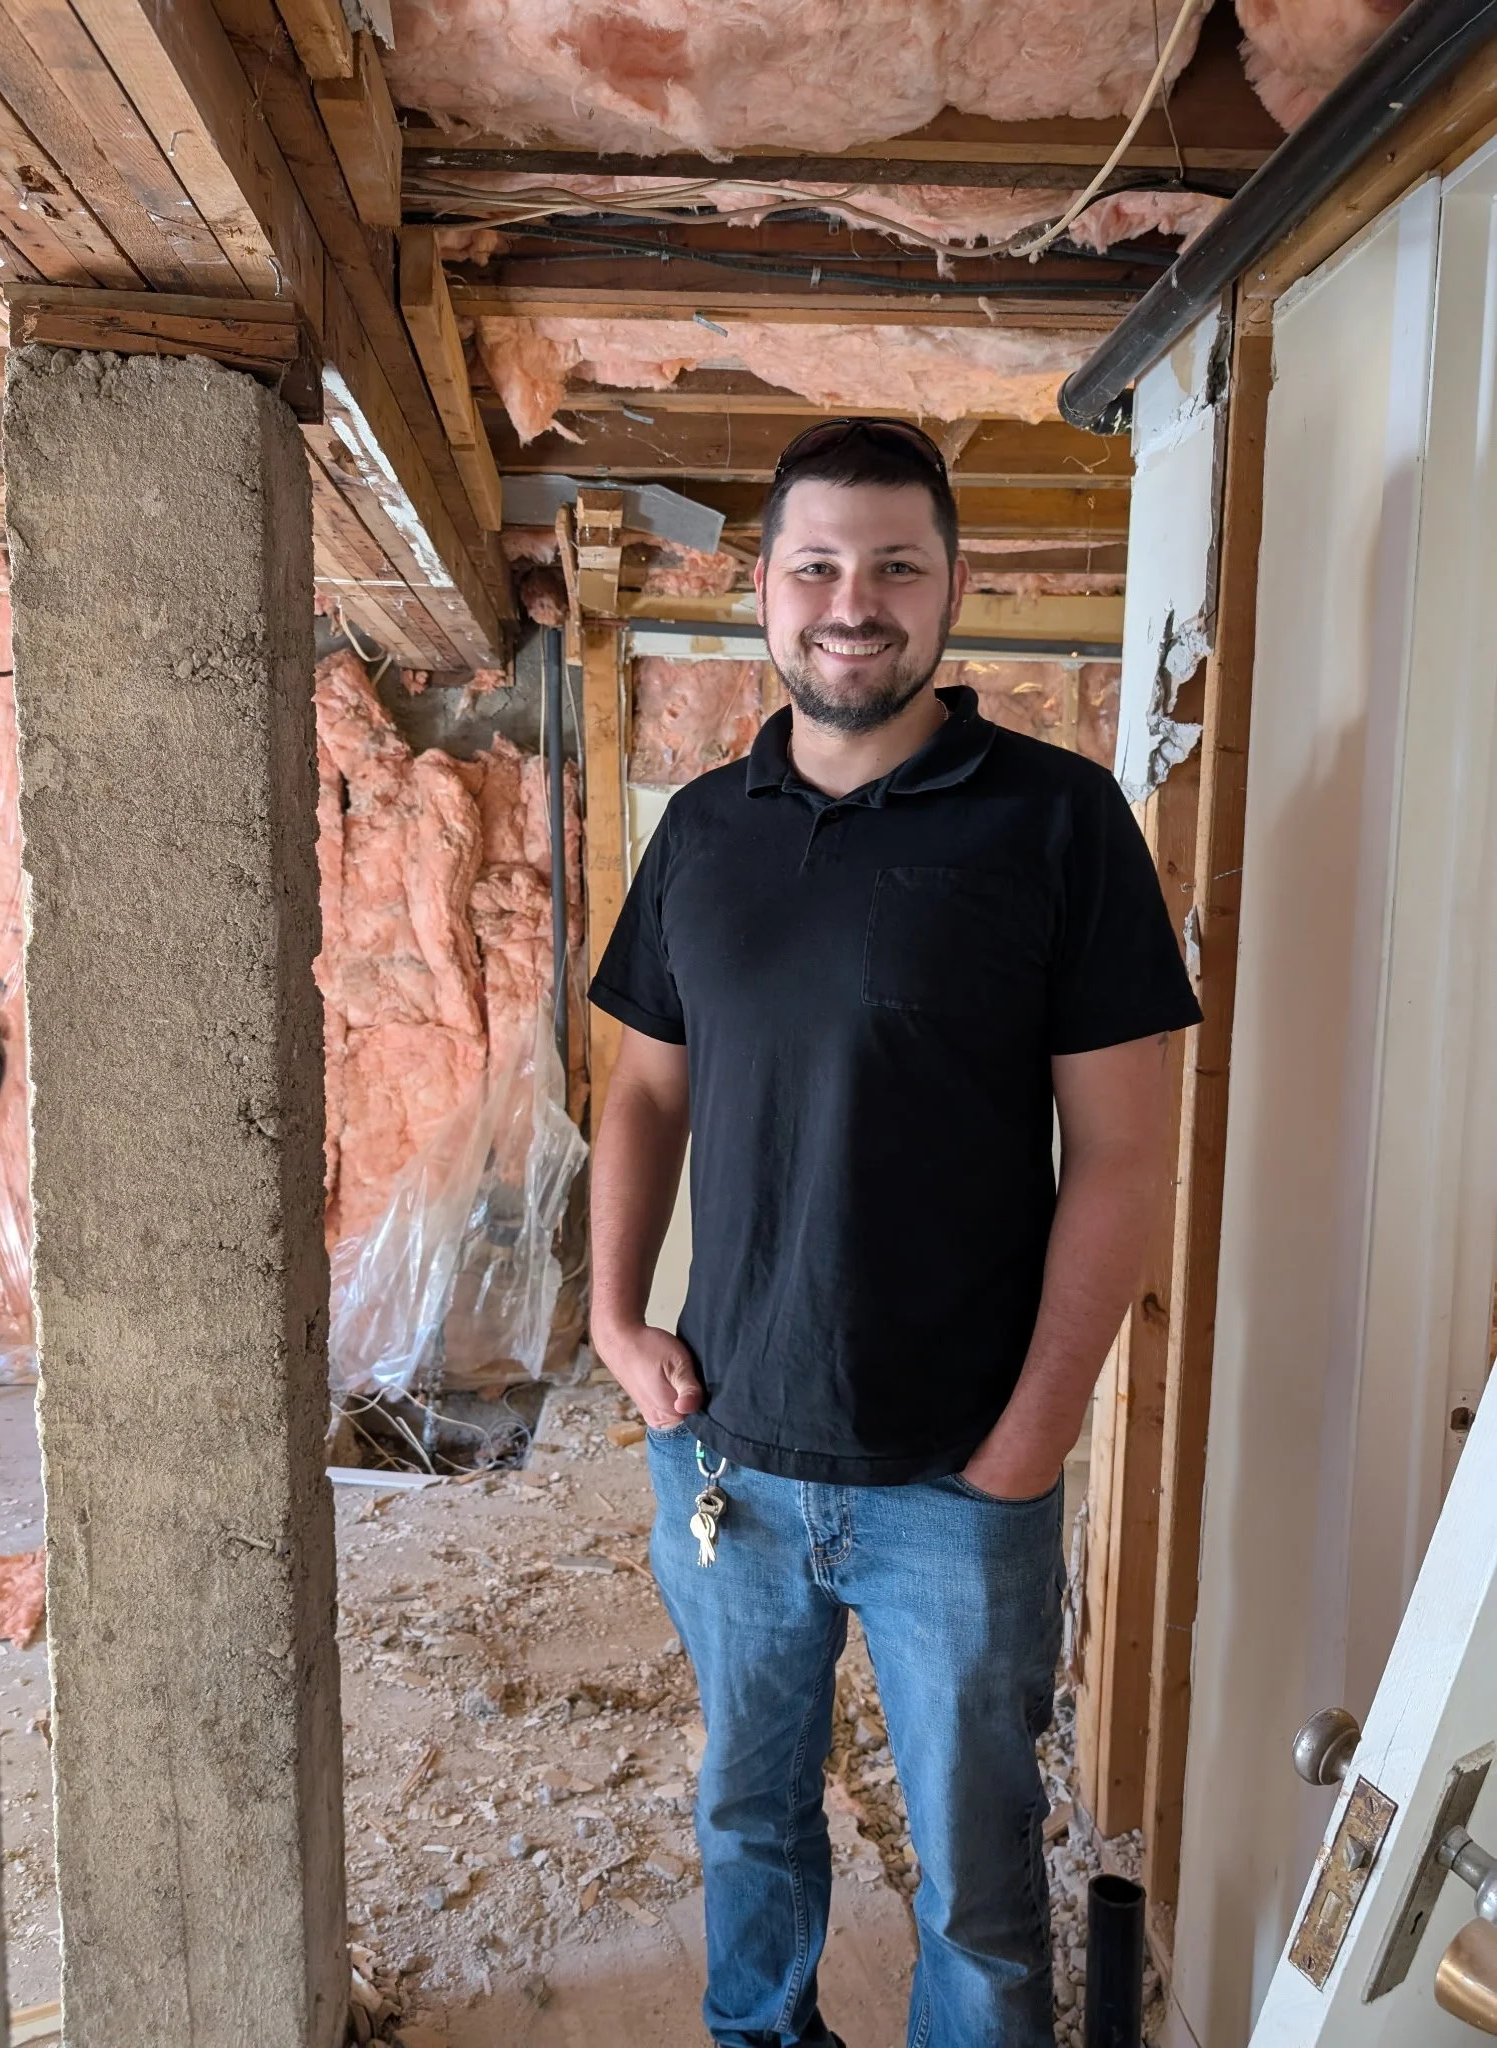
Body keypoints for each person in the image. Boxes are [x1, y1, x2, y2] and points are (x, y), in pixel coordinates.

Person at [588, 419, 1201, 2048]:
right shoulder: (703, 831)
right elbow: (643, 1093)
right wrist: (609, 1321)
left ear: (952, 591)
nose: (850, 602)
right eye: (815, 566)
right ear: (762, 592)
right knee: (747, 1828)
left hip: (956, 1479)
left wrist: (1029, 1441)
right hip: (723, 1449)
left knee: (980, 1896)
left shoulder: (1058, 823)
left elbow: (1126, 1157)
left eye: (893, 568)